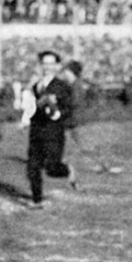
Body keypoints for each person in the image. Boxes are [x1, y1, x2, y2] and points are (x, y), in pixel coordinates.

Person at [23, 51, 81, 208]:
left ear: (57, 66)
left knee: (51, 168)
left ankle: (67, 170)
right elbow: (31, 109)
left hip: (53, 132)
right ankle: (37, 200)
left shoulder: (62, 87)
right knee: (32, 166)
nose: (48, 67)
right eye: (45, 63)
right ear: (41, 65)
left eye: (51, 63)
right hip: (36, 131)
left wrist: (58, 113)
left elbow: (68, 109)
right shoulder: (36, 86)